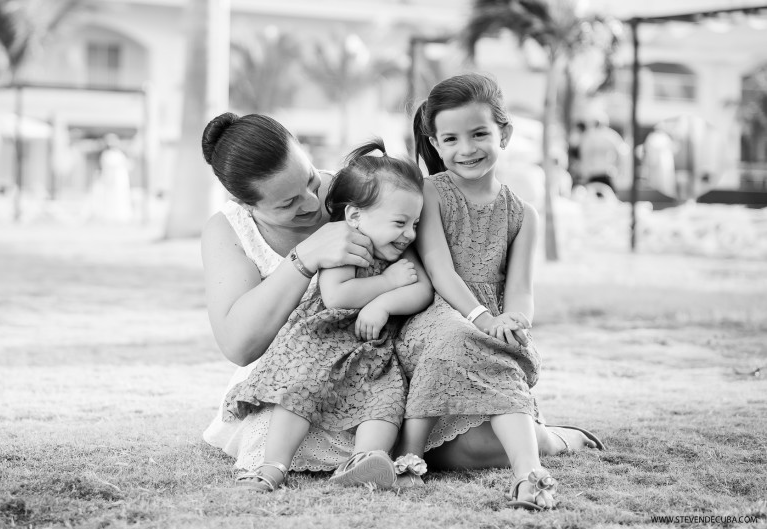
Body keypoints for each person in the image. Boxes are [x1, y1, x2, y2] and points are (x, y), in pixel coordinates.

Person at [199, 112, 601, 489]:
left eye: (308, 181)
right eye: (287, 203)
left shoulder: (357, 189)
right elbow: (239, 345)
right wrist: (303, 259)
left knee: (471, 443)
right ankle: (319, 463)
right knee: (292, 428)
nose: (310, 202)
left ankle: (549, 439)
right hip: (302, 366)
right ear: (248, 205)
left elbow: (423, 265)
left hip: (387, 354)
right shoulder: (228, 230)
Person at [399, 73, 603, 510]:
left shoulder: (523, 214)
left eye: (479, 134)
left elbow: (521, 291)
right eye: (451, 139)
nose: (466, 149)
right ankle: (408, 458)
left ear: (504, 133)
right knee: (457, 336)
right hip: (436, 310)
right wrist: (481, 319)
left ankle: (530, 477)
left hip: (488, 319)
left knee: (499, 354)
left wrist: (514, 321)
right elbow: (439, 268)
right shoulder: (431, 192)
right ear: (435, 144)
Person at [223, 139, 433, 492]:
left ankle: (367, 461)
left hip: (372, 349)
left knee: (385, 399)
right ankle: (272, 466)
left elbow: (421, 290)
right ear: (355, 216)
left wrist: (383, 305)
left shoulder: (402, 250)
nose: (410, 233)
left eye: (415, 223)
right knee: (300, 391)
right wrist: (385, 282)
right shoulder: (344, 242)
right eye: (401, 222)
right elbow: (337, 295)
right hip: (320, 340)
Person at [578, 113, 627, 196]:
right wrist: (618, 169)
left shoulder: (588, 136)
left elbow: (583, 156)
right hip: (604, 173)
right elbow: (622, 153)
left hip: (597, 174)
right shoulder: (611, 136)